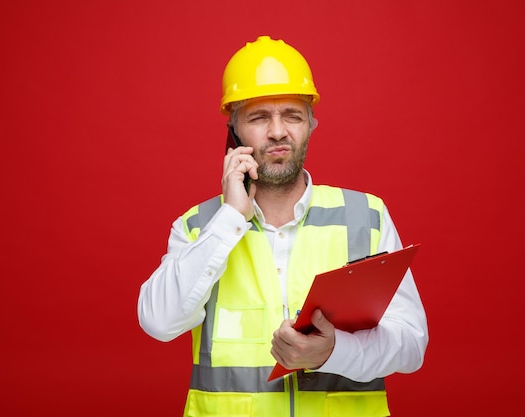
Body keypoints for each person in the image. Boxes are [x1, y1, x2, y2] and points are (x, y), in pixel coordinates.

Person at [137, 35, 428, 417]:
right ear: (235, 130)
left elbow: (411, 346)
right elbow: (159, 322)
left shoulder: (366, 216)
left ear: (310, 123)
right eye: (259, 117)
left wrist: (334, 352)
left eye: (291, 114)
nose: (277, 132)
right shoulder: (199, 227)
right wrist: (230, 219)